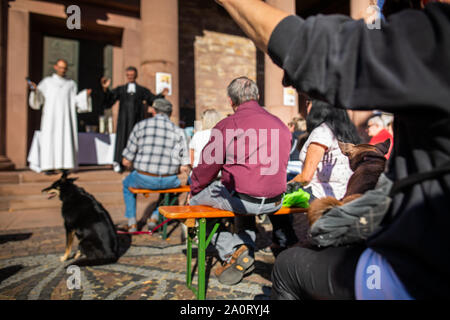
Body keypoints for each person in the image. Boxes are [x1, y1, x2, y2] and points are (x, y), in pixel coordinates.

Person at [216, 0, 450, 299]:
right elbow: (381, 50)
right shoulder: (346, 132)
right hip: (410, 233)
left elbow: (326, 55)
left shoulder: (322, 133)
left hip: (418, 276)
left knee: (288, 264)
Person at [189, 76, 297, 285]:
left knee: (195, 202)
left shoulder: (227, 125)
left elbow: (205, 169)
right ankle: (244, 247)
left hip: (244, 198)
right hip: (276, 199)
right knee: (240, 199)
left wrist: (194, 189)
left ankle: (233, 247)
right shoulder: (281, 125)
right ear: (257, 96)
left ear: (231, 101)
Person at [121, 98, 190, 232]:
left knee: (126, 184)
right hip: (169, 180)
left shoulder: (141, 126)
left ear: (153, 111)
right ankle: (154, 217)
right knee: (175, 188)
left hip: (143, 178)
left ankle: (132, 223)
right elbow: (184, 164)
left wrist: (130, 164)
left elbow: (126, 160)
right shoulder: (179, 132)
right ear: (170, 113)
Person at [28, 59, 92, 174]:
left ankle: (65, 165)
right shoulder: (47, 82)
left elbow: (75, 101)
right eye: (61, 67)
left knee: (65, 139)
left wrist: (84, 95)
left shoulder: (71, 84)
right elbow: (40, 98)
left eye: (65, 68)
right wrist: (35, 91)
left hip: (66, 119)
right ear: (55, 67)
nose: (63, 70)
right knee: (50, 140)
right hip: (51, 119)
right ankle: (48, 166)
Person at [289, 99, 361, 201]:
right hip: (343, 195)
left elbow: (305, 177)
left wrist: (286, 186)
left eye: (308, 103)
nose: (307, 107)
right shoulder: (346, 131)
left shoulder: (322, 132)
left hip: (319, 197)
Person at [101, 66, 168, 172]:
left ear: (136, 76)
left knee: (137, 140)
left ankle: (137, 163)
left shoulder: (142, 90)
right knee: (122, 140)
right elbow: (109, 99)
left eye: (132, 75)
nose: (130, 77)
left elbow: (152, 99)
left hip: (137, 120)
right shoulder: (121, 89)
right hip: (123, 121)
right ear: (126, 76)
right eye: (128, 75)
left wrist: (161, 95)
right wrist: (105, 89)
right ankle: (119, 162)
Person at [286, 116, 307, 181]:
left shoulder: (290, 135)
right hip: (305, 166)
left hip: (290, 166)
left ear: (293, 126)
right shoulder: (309, 135)